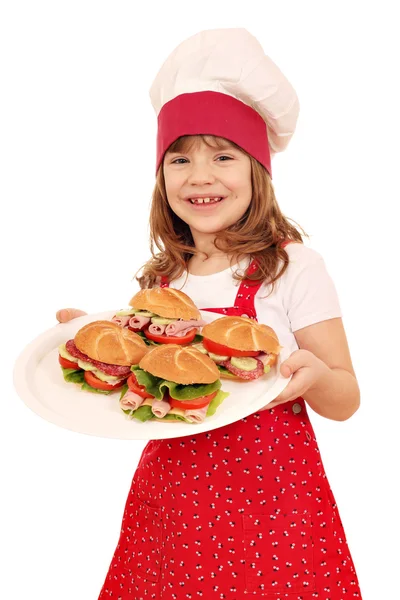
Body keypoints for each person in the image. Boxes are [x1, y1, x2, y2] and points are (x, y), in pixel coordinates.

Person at [57, 29, 362, 599]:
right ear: (161, 176)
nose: (200, 176)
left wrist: (313, 380)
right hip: (172, 498)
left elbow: (346, 397)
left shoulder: (292, 266)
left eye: (223, 155)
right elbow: (141, 394)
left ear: (256, 171)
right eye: (180, 158)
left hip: (274, 503)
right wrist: (90, 338)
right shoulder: (159, 284)